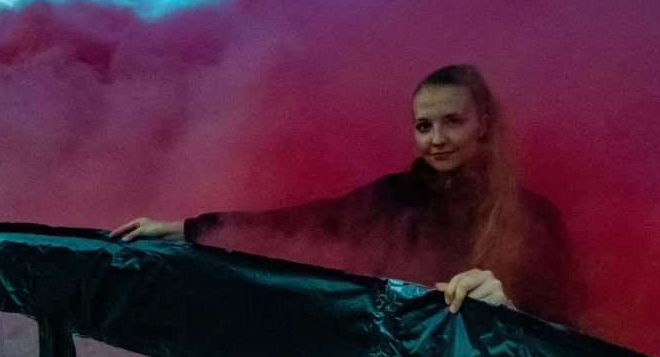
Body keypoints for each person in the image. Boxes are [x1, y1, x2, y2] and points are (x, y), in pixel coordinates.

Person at [110, 64, 572, 323]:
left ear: (484, 123)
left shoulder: (535, 218)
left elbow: (576, 340)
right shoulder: (393, 198)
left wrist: (508, 310)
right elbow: (301, 225)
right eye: (423, 126)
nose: (436, 139)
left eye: (453, 122)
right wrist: (184, 229)